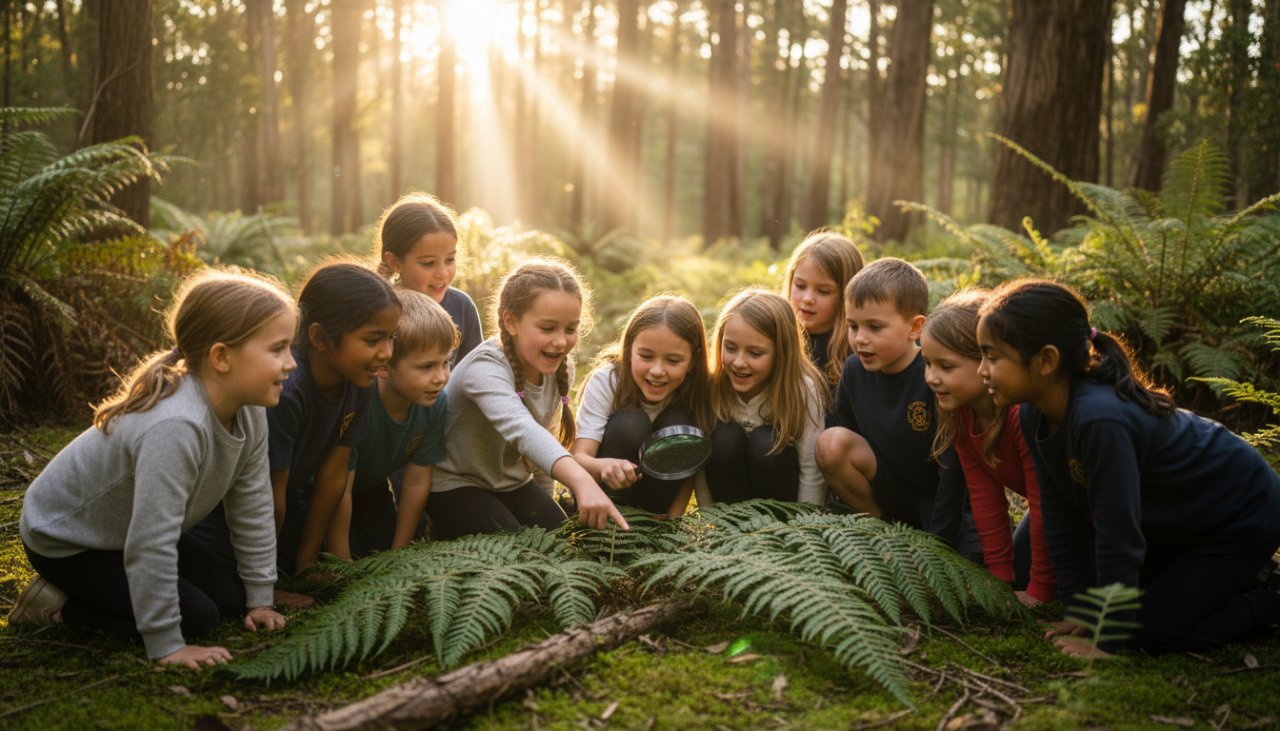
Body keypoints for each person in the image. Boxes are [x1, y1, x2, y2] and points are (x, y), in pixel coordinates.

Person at [977, 278, 1280, 655]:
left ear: (1046, 361)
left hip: (1239, 515)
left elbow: (1117, 534)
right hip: (1177, 524)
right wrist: (1079, 610)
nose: (981, 371)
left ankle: (1271, 596)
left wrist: (1107, 639)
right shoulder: (1032, 416)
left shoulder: (1100, 421)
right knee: (1135, 599)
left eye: (992, 357)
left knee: (1150, 633)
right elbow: (1061, 515)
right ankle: (1236, 578)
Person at [12, 269, 292, 669]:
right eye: (278, 349)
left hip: (126, 529)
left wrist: (261, 597)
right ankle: (54, 605)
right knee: (198, 617)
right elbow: (150, 542)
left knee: (234, 599)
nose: (291, 363)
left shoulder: (250, 410)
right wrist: (167, 645)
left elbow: (253, 504)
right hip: (67, 539)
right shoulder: (175, 426)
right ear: (221, 357)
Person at [427, 259, 629, 538]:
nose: (560, 342)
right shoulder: (485, 368)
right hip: (453, 483)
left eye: (570, 329)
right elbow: (523, 429)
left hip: (510, 481)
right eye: (547, 328)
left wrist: (547, 500)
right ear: (511, 321)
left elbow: (542, 439)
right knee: (514, 549)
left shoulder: (561, 367)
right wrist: (582, 481)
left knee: (557, 542)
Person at [921, 288, 1055, 607]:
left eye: (946, 366)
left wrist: (1041, 590)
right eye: (927, 363)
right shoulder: (962, 414)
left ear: (985, 361)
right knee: (1020, 571)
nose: (930, 377)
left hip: (1083, 516)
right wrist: (998, 578)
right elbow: (985, 498)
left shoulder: (1020, 416)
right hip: (1053, 516)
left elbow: (1043, 506)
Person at [816, 258, 965, 531]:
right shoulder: (853, 370)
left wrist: (941, 540)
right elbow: (845, 434)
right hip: (884, 491)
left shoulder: (932, 377)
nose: (860, 338)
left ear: (914, 327)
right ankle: (881, 532)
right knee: (830, 442)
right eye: (853, 326)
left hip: (937, 501)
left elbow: (953, 470)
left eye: (875, 327)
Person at [571, 295, 712, 517]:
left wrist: (670, 524)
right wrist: (604, 467)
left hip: (655, 506)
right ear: (628, 350)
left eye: (673, 361)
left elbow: (688, 468)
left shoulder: (697, 391)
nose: (657, 370)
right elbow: (579, 458)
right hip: (601, 493)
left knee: (679, 427)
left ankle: (651, 525)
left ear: (693, 361)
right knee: (631, 423)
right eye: (646, 356)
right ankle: (607, 527)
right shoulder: (608, 380)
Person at [344, 288, 457, 556]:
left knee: (381, 549)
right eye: (426, 367)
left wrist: (399, 553)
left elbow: (417, 480)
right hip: (321, 494)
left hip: (370, 489)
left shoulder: (435, 403)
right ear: (384, 366)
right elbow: (338, 487)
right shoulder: (359, 402)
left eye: (445, 363)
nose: (440, 377)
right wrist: (341, 561)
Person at [701, 288, 828, 505]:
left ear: (781, 353)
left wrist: (805, 527)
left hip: (783, 500)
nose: (739, 362)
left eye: (755, 353)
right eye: (730, 348)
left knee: (766, 442)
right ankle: (728, 530)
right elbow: (701, 467)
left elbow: (811, 469)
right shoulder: (714, 386)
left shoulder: (801, 389)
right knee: (725, 438)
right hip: (731, 502)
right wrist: (707, 519)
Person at [374, 191, 482, 366]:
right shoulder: (380, 310)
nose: (443, 273)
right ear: (394, 262)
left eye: (450, 260)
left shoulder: (462, 306)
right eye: (428, 263)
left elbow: (476, 372)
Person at [782, 229, 865, 389]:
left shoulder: (859, 348)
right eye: (800, 285)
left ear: (847, 294)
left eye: (823, 291)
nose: (807, 299)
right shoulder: (774, 335)